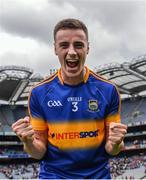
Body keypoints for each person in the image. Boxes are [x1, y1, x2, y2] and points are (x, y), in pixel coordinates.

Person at [12, 18, 127, 179]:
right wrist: (28, 142)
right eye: (64, 45)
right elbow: (39, 152)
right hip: (54, 176)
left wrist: (116, 143)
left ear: (88, 48)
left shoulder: (108, 90)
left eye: (78, 45)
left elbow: (111, 149)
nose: (72, 52)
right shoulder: (39, 92)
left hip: (97, 176)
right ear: (55, 49)